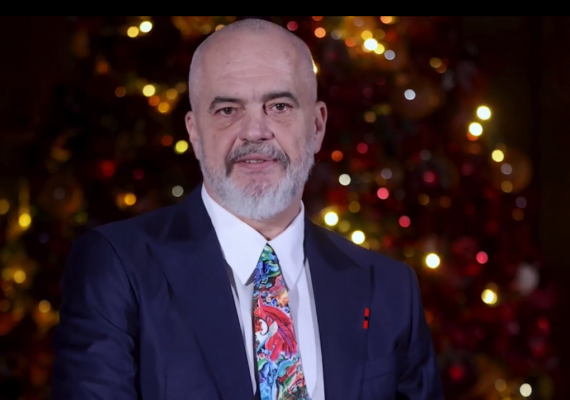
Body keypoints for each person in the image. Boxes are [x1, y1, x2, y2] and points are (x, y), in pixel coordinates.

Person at [51, 18, 444, 400]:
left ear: (317, 126)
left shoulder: (390, 288)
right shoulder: (118, 267)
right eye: (228, 110)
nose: (255, 131)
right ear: (194, 132)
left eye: (279, 106)